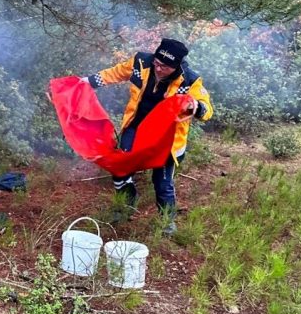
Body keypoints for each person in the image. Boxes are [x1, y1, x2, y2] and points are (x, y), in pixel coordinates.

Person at [83, 38, 214, 234]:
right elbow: (115, 73)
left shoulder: (189, 80)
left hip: (166, 140)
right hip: (135, 127)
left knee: (162, 182)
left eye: (165, 67)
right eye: (157, 63)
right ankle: (126, 204)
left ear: (177, 65)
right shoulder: (141, 62)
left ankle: (166, 222)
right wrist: (85, 82)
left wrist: (195, 107)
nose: (159, 69)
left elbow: (207, 109)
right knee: (120, 166)